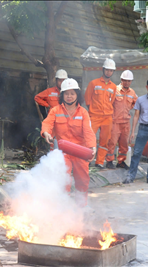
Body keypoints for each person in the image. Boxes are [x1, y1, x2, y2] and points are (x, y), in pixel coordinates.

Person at [42, 78, 96, 207]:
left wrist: (92, 147)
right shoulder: (55, 110)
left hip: (79, 151)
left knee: (82, 181)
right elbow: (47, 123)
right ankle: (63, 209)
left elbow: (88, 131)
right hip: (62, 151)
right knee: (63, 181)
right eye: (66, 93)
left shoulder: (83, 112)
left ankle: (81, 208)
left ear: (77, 94)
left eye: (72, 93)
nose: (70, 96)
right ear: (62, 95)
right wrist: (46, 133)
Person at [84, 58, 117, 168]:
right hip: (94, 116)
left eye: (111, 70)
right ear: (103, 70)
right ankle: (86, 161)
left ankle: (99, 162)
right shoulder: (93, 83)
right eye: (107, 70)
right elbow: (87, 99)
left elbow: (111, 102)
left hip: (107, 117)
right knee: (89, 140)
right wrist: (93, 110)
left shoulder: (113, 87)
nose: (109, 72)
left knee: (105, 141)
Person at [105, 70, 138, 170]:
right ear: (121, 80)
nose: (127, 82)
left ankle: (121, 161)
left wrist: (127, 110)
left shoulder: (132, 92)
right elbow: (108, 103)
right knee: (112, 142)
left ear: (131, 81)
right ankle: (109, 161)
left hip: (126, 122)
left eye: (129, 81)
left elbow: (135, 103)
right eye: (125, 80)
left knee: (124, 143)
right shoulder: (115, 89)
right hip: (115, 121)